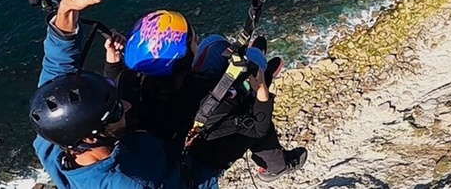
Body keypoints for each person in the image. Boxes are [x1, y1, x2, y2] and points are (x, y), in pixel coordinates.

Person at [29, 0, 218, 189]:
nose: (127, 105)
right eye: (117, 111)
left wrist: (67, 9)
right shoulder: (133, 181)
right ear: (92, 139)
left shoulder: (53, 135)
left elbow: (58, 65)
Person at [107, 10, 307, 182]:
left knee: (214, 43)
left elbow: (116, 80)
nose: (196, 40)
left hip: (187, 97)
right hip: (205, 140)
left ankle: (254, 62)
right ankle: (276, 165)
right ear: (185, 63)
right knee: (254, 62)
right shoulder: (210, 104)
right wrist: (262, 92)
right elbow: (256, 127)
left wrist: (113, 64)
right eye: (194, 40)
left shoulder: (129, 83)